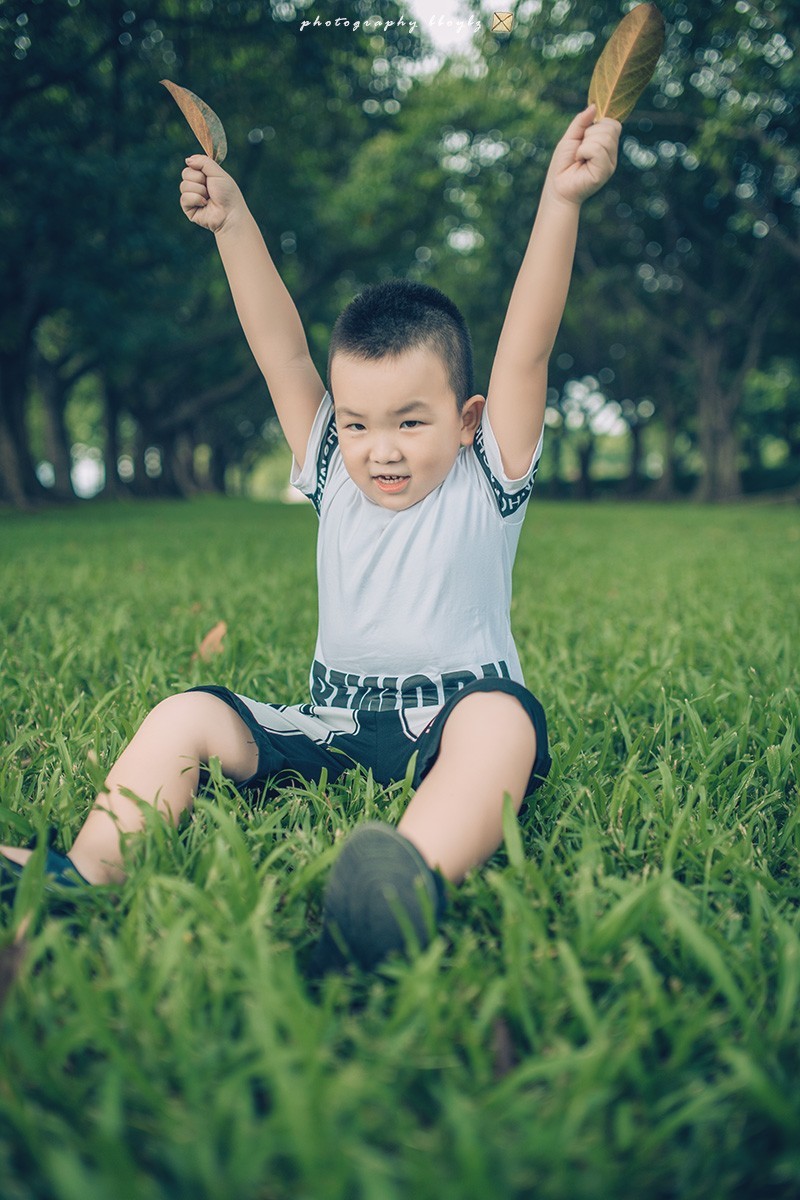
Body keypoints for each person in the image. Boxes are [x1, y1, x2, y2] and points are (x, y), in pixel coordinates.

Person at [1, 105, 620, 972]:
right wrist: (232, 222)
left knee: (502, 725)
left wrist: (562, 201)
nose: (382, 448)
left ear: (466, 418)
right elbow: (282, 352)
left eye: (410, 421)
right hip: (332, 721)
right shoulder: (333, 466)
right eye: (361, 423)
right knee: (189, 713)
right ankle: (92, 869)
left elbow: (526, 347)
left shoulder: (487, 475)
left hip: (452, 716)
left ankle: (402, 881)